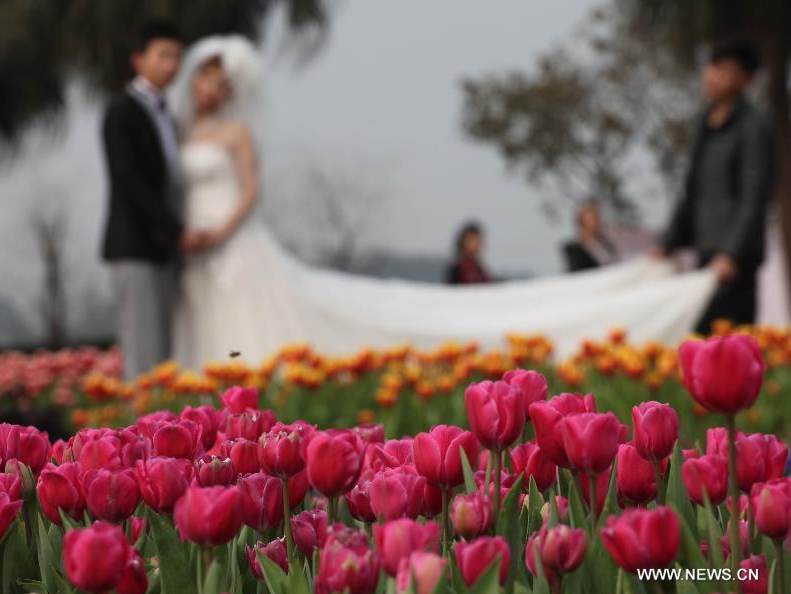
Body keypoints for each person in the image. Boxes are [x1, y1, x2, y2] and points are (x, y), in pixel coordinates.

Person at [168, 36, 717, 371]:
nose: (209, 87)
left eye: (220, 79)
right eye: (205, 76)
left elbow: (251, 189)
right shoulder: (180, 131)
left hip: (230, 241)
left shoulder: (238, 134)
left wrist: (219, 232)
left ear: (233, 88)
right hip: (188, 247)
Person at [101, 20, 203, 380]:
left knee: (164, 353)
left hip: (165, 249)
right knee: (143, 352)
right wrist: (175, 230)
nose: (171, 65)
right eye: (163, 55)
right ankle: (134, 435)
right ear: (138, 59)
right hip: (136, 246)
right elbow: (130, 181)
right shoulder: (122, 111)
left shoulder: (169, 118)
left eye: (177, 56)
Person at [653, 38, 775, 334]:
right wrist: (665, 244)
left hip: (734, 263)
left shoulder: (753, 127)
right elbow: (690, 193)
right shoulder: (703, 125)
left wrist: (731, 254)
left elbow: (753, 196)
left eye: (723, 70)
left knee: (731, 340)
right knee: (699, 339)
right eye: (711, 67)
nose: (711, 76)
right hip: (705, 253)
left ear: (744, 79)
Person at [563, 202, 618, 272]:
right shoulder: (574, 250)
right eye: (590, 220)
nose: (594, 223)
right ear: (582, 223)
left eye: (596, 219)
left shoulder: (607, 244)